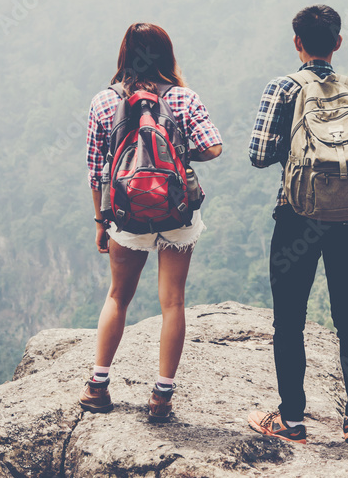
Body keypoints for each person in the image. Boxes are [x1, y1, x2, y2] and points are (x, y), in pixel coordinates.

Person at [246, 4, 348, 445]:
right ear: (338, 42)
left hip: (297, 216)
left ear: (296, 42)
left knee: (289, 320)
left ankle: (292, 420)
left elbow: (259, 155)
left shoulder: (281, 88)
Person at [79, 22, 223, 418]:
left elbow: (96, 171)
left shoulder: (104, 101)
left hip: (126, 213)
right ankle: (161, 397)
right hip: (176, 210)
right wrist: (177, 155)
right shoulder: (183, 98)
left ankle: (97, 386)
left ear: (125, 54)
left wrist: (99, 221)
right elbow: (214, 147)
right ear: (165, 54)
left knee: (117, 296)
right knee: (173, 301)